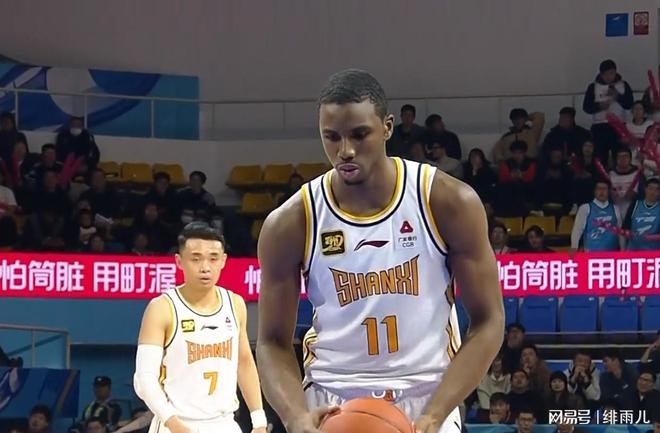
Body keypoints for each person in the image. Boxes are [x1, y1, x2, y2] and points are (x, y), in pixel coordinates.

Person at [256, 69, 504, 433]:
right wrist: (295, 416)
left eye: (359, 134)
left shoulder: (446, 201)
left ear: (387, 127)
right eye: (331, 137)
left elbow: (489, 321)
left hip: (426, 395)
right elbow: (271, 341)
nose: (345, 150)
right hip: (332, 399)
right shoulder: (292, 221)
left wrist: (437, 412)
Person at [134, 222, 268, 433]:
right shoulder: (161, 308)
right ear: (179, 261)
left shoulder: (235, 304)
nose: (205, 267)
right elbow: (145, 378)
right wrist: (175, 425)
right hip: (175, 423)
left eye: (213, 258)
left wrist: (259, 420)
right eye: (196, 259)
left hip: (224, 423)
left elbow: (244, 362)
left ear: (223, 260)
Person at [583, 59, 634, 164]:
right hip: (600, 126)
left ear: (615, 72)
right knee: (600, 157)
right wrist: (599, 106)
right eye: (605, 75)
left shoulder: (623, 85)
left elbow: (629, 104)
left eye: (611, 74)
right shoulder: (593, 87)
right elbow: (586, 107)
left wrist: (618, 96)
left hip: (618, 126)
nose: (609, 77)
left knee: (619, 156)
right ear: (601, 74)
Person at [571, 180, 624, 251]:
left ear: (609, 191)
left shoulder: (615, 209)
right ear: (594, 191)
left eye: (604, 189)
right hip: (591, 253)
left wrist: (623, 250)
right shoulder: (585, 208)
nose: (601, 192)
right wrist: (574, 247)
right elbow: (577, 230)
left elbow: (620, 232)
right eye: (599, 188)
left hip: (612, 253)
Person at [623, 178, 660, 250]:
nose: (653, 192)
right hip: (633, 250)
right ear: (645, 189)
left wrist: (647, 237)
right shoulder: (635, 205)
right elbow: (625, 228)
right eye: (650, 188)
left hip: (653, 252)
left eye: (656, 189)